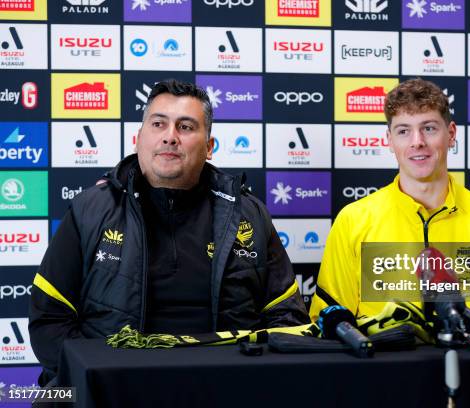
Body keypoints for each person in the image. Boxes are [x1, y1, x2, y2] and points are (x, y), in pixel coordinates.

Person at [30, 79, 309, 385]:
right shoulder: (89, 210)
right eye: (158, 124)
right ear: (139, 139)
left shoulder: (250, 215)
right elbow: (50, 321)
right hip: (118, 388)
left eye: (186, 127)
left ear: (209, 147)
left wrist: (247, 379)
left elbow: (288, 320)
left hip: (226, 388)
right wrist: (99, 377)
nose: (170, 137)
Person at [309, 78, 470, 330]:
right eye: (404, 131)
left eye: (429, 128)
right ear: (389, 140)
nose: (418, 142)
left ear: (450, 134)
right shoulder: (354, 220)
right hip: (381, 370)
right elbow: (331, 318)